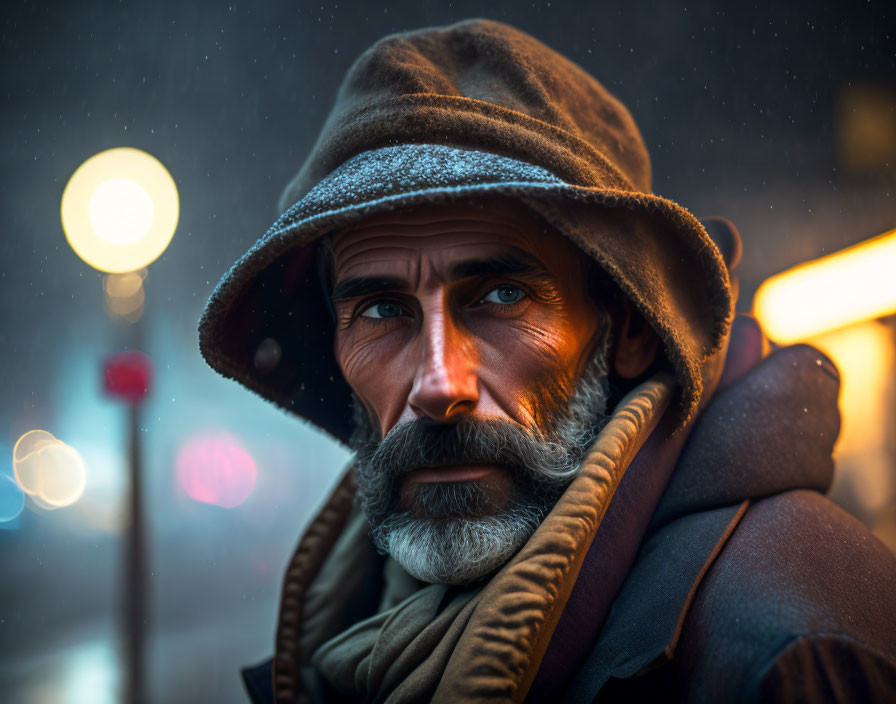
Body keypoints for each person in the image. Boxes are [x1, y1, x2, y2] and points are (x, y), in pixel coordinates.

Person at [199, 18, 896, 703]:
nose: (440, 386)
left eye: (502, 296)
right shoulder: (364, 623)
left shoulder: (794, 646)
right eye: (381, 310)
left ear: (629, 329)